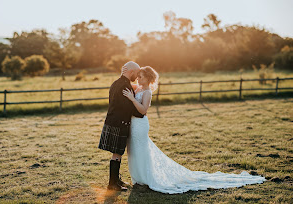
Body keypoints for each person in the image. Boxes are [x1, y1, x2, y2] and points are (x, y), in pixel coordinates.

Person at [122, 66, 266, 194]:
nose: (138, 79)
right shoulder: (139, 88)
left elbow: (143, 110)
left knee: (141, 150)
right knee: (134, 150)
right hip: (133, 125)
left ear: (147, 79)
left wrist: (132, 99)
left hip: (140, 124)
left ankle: (146, 179)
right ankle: (139, 179)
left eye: (141, 77)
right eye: (138, 76)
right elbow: (127, 83)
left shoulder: (147, 92)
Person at [98, 61, 144, 191]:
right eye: (136, 73)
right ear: (131, 72)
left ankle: (116, 180)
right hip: (119, 124)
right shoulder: (125, 87)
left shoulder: (116, 83)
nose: (137, 75)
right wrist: (141, 113)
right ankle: (112, 184)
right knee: (117, 153)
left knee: (117, 153)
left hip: (113, 122)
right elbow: (127, 108)